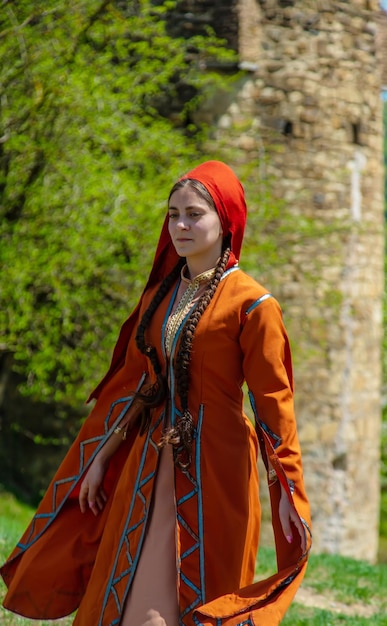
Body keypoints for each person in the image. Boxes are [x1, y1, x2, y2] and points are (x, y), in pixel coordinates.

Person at [1, 160, 311, 626]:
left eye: (194, 214)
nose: (181, 225)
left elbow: (274, 405)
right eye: (173, 214)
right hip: (149, 461)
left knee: (193, 596)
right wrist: (101, 456)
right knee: (127, 598)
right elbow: (137, 385)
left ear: (226, 222)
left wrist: (287, 491)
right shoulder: (160, 296)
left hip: (218, 467)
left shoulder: (253, 304)